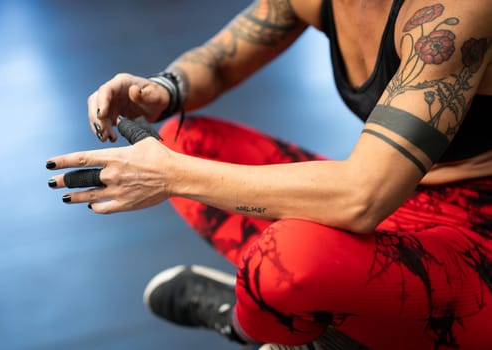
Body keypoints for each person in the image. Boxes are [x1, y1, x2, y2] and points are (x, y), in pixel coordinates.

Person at [46, 0, 492, 348]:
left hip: (477, 240)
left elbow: (362, 198)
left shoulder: (454, 14)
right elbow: (221, 61)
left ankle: (244, 323)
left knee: (286, 259)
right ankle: (312, 322)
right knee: (186, 143)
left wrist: (170, 177)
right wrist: (162, 89)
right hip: (399, 197)